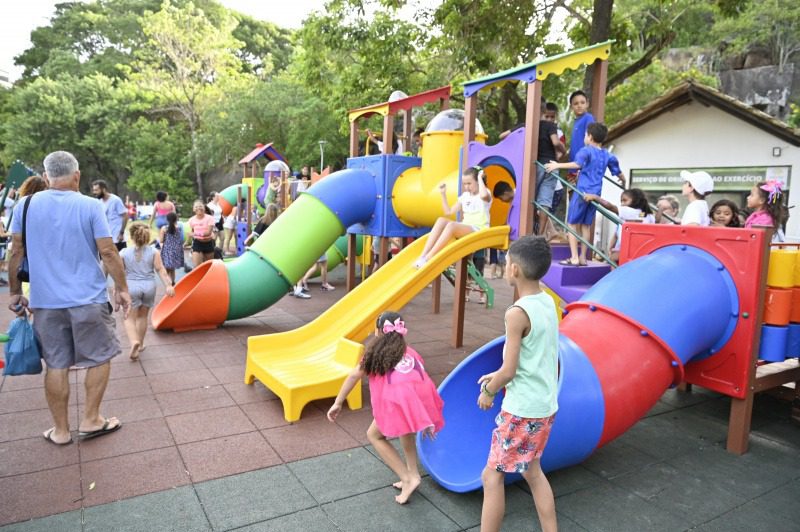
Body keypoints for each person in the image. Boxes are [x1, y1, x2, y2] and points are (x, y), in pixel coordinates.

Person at [7, 151, 131, 445]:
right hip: (88, 298)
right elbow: (109, 251)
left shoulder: (24, 205)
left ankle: (61, 431)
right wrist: (122, 288)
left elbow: (16, 252)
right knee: (99, 357)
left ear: (47, 177)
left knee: (56, 364)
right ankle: (91, 419)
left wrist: (14, 292)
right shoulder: (90, 206)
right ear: (77, 175)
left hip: (45, 301)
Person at [477, 235, 558, 532]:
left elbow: (510, 371)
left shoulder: (516, 313)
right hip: (545, 406)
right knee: (532, 471)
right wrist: (497, 373)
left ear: (514, 270)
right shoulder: (547, 301)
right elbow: (533, 354)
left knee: (491, 476)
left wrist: (489, 390)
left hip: (521, 409)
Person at [327, 311, 444, 505]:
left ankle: (408, 478)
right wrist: (424, 415)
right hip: (416, 398)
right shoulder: (410, 352)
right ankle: (412, 474)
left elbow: (353, 376)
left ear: (378, 331)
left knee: (374, 435)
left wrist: (338, 402)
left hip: (396, 401)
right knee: (405, 432)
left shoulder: (374, 355)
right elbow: (420, 378)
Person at [545, 122, 625, 266]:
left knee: (572, 223)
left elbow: (577, 164)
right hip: (595, 194)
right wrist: (623, 180)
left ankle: (574, 257)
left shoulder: (585, 150)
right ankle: (582, 257)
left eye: (585, 135)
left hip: (582, 192)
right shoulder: (607, 155)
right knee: (586, 226)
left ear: (590, 136)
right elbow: (618, 172)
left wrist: (557, 165)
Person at [414, 167, 491, 269]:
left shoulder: (485, 194)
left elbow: (484, 195)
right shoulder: (465, 196)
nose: (467, 187)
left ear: (478, 181)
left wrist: (480, 178)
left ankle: (429, 257)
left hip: (479, 229)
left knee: (451, 225)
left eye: (469, 183)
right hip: (466, 227)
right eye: (464, 184)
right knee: (441, 220)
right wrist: (443, 194)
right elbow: (448, 212)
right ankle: (423, 255)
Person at [120, 223, 175, 360]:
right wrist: (168, 285)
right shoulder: (154, 252)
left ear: (132, 237)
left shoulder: (124, 253)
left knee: (129, 318)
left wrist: (118, 289)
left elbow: (119, 273)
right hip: (149, 287)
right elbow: (161, 270)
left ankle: (134, 342)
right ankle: (141, 343)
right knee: (142, 317)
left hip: (132, 286)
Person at [584, 188, 654, 263]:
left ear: (635, 201)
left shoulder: (628, 211)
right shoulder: (648, 215)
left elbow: (610, 206)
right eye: (621, 201)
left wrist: (596, 197)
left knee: (613, 259)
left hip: (629, 249)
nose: (622, 204)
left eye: (625, 200)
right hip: (642, 249)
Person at [92, 179, 129, 251]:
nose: (94, 192)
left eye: (96, 190)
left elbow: (125, 216)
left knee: (120, 261)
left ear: (104, 189)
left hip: (118, 239)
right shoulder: (99, 202)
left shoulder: (115, 200)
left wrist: (121, 233)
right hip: (107, 238)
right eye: (94, 190)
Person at [567, 90, 595, 170]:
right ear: (571, 106)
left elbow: (591, 140)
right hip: (573, 163)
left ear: (587, 104)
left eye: (582, 103)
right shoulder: (575, 121)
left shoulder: (588, 118)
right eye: (576, 103)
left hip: (582, 164)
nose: (579, 105)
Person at [187, 199, 216, 266]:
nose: (198, 208)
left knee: (209, 266)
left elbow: (208, 233)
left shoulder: (210, 218)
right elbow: (191, 231)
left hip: (208, 243)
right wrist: (187, 242)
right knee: (197, 266)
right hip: (197, 243)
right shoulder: (191, 220)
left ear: (204, 207)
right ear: (193, 209)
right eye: (196, 207)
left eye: (200, 206)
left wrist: (195, 234)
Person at [159, 212, 185, 284]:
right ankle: (173, 282)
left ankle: (167, 283)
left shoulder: (164, 229)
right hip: (176, 250)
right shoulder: (179, 228)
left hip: (167, 250)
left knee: (166, 269)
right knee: (172, 268)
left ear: (167, 219)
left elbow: (161, 240)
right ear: (176, 219)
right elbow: (182, 239)